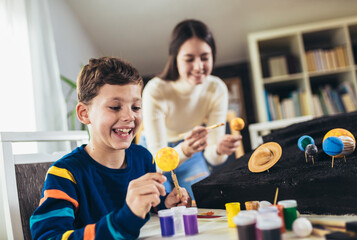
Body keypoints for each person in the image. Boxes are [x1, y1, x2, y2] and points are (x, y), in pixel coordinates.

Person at [30, 57, 190, 239]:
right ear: (84, 114)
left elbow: (150, 207)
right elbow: (47, 237)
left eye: (136, 107)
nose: (130, 116)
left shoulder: (143, 158)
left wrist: (165, 204)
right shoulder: (65, 174)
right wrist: (126, 218)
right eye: (115, 107)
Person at [141, 19, 242, 200]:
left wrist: (218, 149)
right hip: (156, 154)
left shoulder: (216, 89)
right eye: (189, 59)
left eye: (205, 57)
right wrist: (184, 150)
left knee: (205, 200)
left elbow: (212, 158)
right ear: (175, 58)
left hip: (192, 151)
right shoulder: (155, 90)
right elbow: (158, 163)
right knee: (160, 203)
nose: (198, 67)